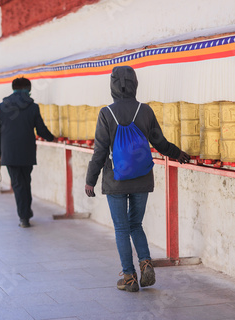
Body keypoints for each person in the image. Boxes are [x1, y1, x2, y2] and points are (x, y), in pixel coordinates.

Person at [85, 66, 190, 292]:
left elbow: (100, 151)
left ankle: (130, 277)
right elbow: (159, 143)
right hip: (142, 177)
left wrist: (90, 179)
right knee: (136, 224)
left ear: (113, 85)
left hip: (115, 180)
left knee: (122, 229)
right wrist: (177, 153)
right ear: (135, 83)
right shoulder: (145, 111)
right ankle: (145, 262)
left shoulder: (106, 113)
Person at [0, 77, 57, 228]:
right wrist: (52, 138)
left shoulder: (1, 108)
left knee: (18, 184)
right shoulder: (33, 107)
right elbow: (41, 129)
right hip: (27, 152)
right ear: (28, 89)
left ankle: (24, 217)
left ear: (13, 88)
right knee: (26, 182)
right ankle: (26, 212)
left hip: (9, 153)